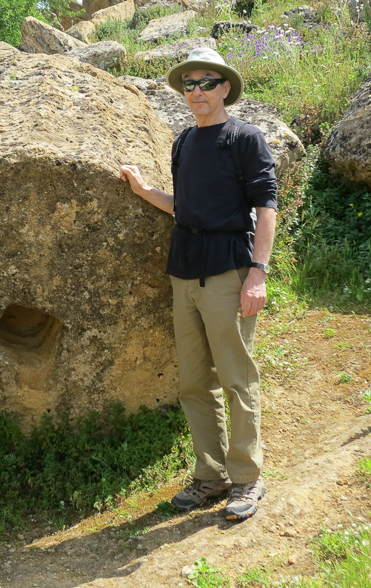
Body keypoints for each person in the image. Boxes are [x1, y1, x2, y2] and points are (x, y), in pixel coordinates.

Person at [120, 46, 277, 522]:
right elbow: (185, 209)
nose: (197, 92)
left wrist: (258, 272)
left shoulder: (245, 138)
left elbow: (267, 209)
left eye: (207, 82)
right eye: (189, 84)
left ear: (225, 87)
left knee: (236, 377)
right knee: (194, 383)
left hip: (229, 272)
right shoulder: (184, 142)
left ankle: (247, 478)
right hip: (184, 273)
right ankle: (209, 476)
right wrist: (147, 192)